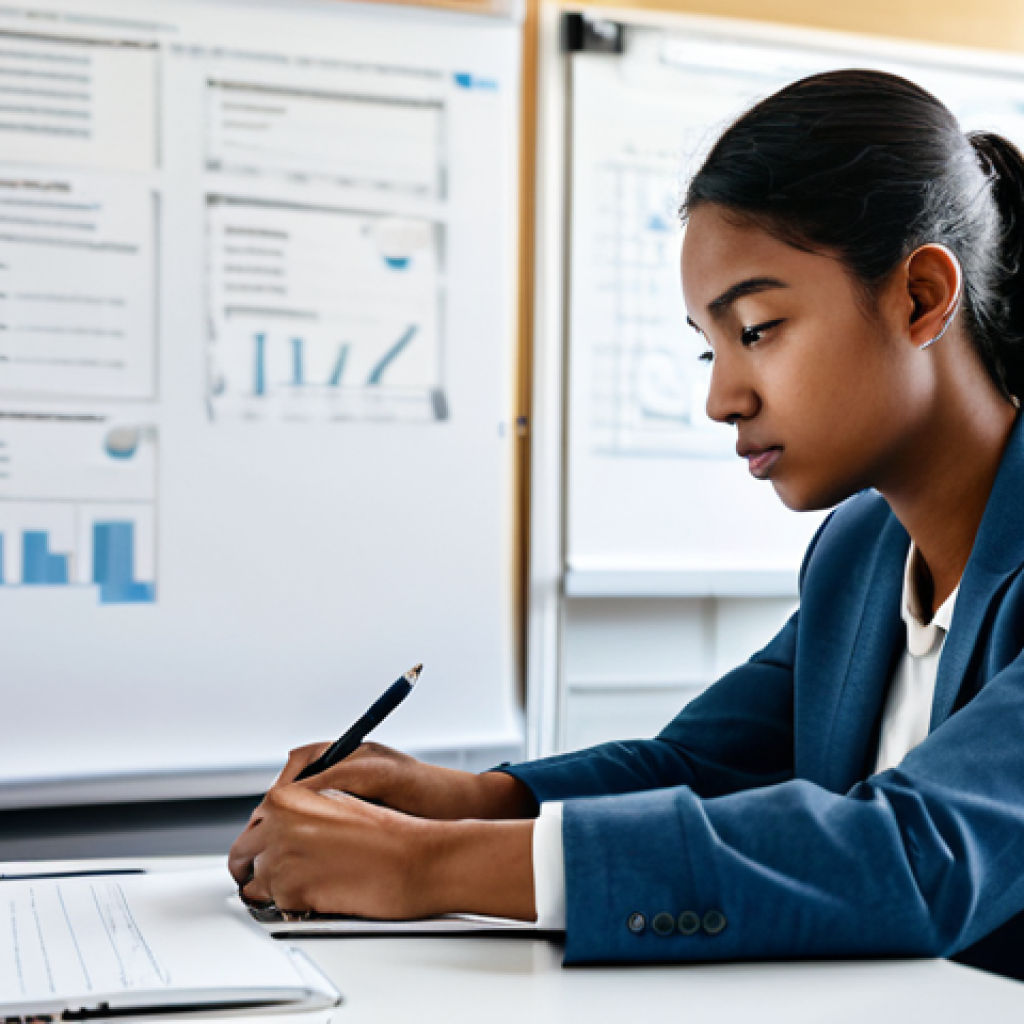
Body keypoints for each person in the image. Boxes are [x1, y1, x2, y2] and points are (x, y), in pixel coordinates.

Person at [229, 69, 1024, 978]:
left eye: (758, 329)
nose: (723, 397)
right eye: (708, 345)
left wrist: (423, 864)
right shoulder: (861, 553)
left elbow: (917, 858)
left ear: (920, 296)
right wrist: (462, 801)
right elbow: (700, 766)